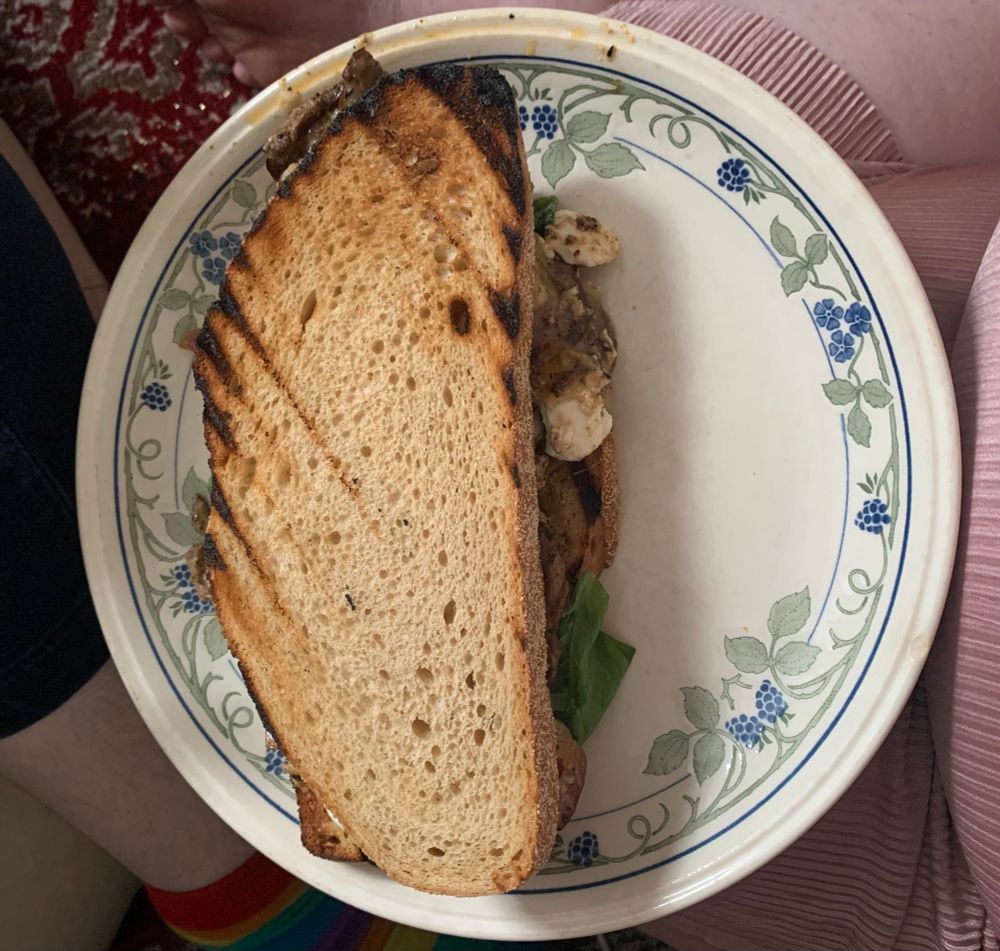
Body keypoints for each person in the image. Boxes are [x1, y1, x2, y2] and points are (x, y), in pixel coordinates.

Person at [1, 1, 997, 949]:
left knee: (706, 67)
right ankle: (379, 30)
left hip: (920, 850)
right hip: (946, 243)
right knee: (732, 75)